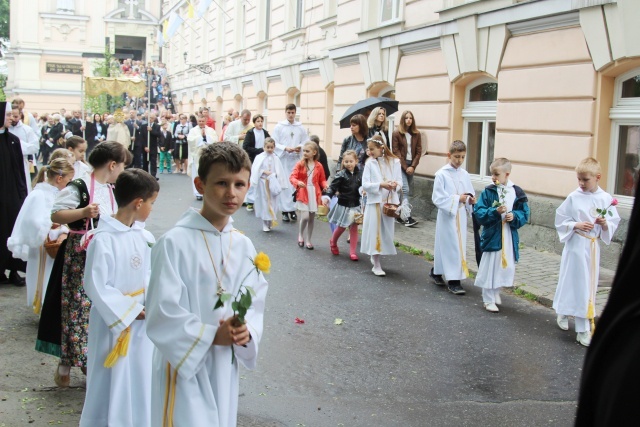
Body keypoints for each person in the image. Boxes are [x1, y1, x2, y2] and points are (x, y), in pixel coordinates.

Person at [146, 142, 268, 427]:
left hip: (224, 363)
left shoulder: (243, 245)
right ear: (200, 184)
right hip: (184, 363)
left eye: (240, 184)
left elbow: (256, 300)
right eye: (222, 183)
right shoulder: (173, 243)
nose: (231, 193)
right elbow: (161, 313)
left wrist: (245, 331)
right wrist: (212, 335)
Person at [36, 142, 132, 387]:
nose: (122, 170)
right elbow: (56, 215)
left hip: (104, 254)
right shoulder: (79, 186)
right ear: (112, 165)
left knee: (96, 308)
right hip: (80, 254)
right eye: (121, 165)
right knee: (77, 309)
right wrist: (83, 212)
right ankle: (71, 363)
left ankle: (85, 362)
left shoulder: (111, 189)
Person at [80, 169, 159, 427]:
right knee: (110, 377)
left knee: (139, 376)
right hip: (112, 323)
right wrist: (129, 310)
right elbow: (96, 285)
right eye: (151, 203)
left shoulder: (144, 237)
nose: (151, 209)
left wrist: (153, 300)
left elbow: (150, 274)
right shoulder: (102, 240)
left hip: (141, 322)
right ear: (139, 202)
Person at [553, 157, 620, 347]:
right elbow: (560, 219)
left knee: (586, 286)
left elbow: (613, 222)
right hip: (575, 246)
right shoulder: (574, 197)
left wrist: (605, 223)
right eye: (579, 179)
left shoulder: (605, 199)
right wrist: (576, 224)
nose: (581, 183)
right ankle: (571, 319)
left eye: (585, 180)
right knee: (572, 282)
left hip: (591, 248)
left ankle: (579, 323)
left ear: (597, 177)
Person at [8, 157, 74, 312]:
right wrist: (51, 226)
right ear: (59, 178)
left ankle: (49, 305)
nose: (69, 183)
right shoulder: (39, 194)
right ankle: (42, 304)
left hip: (54, 242)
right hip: (43, 246)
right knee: (42, 276)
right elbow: (32, 220)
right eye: (69, 180)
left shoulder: (55, 193)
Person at [473, 158, 530, 312]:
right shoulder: (489, 191)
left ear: (507, 174)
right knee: (491, 266)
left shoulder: (516, 192)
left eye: (496, 174)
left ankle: (495, 291)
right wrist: (494, 212)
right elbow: (479, 212)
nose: (493, 177)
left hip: (508, 236)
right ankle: (488, 298)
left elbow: (524, 212)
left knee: (502, 267)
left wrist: (514, 216)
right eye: (492, 174)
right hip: (493, 235)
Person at [430, 140, 476, 295]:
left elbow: (469, 192)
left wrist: (470, 200)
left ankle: (436, 272)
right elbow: (437, 198)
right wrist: (457, 199)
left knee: (456, 245)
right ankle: (454, 281)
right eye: (456, 156)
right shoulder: (441, 175)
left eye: (463, 157)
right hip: (447, 216)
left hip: (460, 215)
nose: (459, 160)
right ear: (449, 155)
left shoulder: (465, 174)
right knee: (451, 246)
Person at [360, 135, 402, 276]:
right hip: (375, 202)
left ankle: (376, 255)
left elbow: (400, 182)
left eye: (372, 149)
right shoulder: (370, 163)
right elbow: (365, 184)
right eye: (368, 149)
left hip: (389, 202)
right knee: (375, 231)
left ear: (381, 148)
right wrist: (381, 185)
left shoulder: (395, 162)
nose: (369, 152)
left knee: (385, 232)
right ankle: (376, 263)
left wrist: (395, 185)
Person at [0, 103, 29, 286]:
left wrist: (22, 193)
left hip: (12, 196)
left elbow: (19, 169)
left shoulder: (13, 140)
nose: (11, 118)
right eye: (8, 115)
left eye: (12, 115)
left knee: (13, 230)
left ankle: (14, 270)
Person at [323, 150, 362, 261]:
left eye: (351, 161)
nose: (349, 164)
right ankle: (333, 242)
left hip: (356, 205)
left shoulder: (360, 174)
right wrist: (327, 197)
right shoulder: (341, 174)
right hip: (344, 205)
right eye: (346, 161)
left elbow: (363, 187)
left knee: (354, 228)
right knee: (342, 227)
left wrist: (364, 191)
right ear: (343, 162)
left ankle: (353, 252)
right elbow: (332, 187)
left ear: (356, 161)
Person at [273, 104, 309, 222]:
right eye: (289, 112)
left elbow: (305, 141)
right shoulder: (279, 127)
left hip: (295, 160)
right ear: (285, 112)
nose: (291, 115)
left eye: (293, 112)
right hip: (284, 159)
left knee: (294, 185)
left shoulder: (300, 127)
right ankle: (284, 211)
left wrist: (300, 147)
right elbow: (274, 142)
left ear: (295, 113)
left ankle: (293, 210)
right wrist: (284, 148)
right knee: (285, 185)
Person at [290, 141, 328, 249]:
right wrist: (297, 182)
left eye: (307, 151)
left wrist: (325, 185)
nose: (305, 153)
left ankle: (308, 240)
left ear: (314, 152)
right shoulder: (300, 164)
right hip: (303, 192)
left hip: (314, 193)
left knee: (311, 218)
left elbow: (322, 180)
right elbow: (292, 177)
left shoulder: (319, 166)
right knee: (305, 217)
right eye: (304, 151)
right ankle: (301, 235)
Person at [391, 110, 422, 227]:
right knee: (405, 189)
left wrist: (413, 166)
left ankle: (397, 214)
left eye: (410, 118)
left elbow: (419, 152)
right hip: (400, 164)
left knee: (403, 191)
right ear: (403, 120)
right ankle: (407, 217)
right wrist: (405, 167)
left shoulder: (416, 134)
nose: (409, 120)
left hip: (411, 164)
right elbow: (396, 152)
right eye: (406, 118)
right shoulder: (396, 133)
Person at [250, 138, 287, 232]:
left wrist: (276, 177)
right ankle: (265, 222)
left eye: (272, 147)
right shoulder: (259, 157)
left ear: (274, 147)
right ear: (264, 147)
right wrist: (263, 171)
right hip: (263, 183)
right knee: (264, 202)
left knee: (273, 202)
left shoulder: (276, 158)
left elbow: (279, 171)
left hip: (272, 183)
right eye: (268, 147)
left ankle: (270, 220)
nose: (270, 149)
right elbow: (255, 169)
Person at [243, 114, 271, 211]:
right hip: (253, 159)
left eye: (261, 121)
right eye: (258, 121)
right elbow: (246, 147)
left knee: (263, 180)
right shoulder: (250, 133)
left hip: (264, 159)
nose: (260, 123)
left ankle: (262, 201)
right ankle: (250, 201)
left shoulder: (265, 133)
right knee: (253, 179)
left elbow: (270, 144)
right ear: (254, 123)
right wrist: (259, 150)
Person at [9, 106, 39, 194]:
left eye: (15, 116)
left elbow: (35, 147)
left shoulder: (27, 130)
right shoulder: (5, 129)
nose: (13, 119)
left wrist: (18, 145)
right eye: (11, 116)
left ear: (20, 115)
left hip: (21, 162)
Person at [187, 115, 218, 200]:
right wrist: (200, 137)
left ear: (205, 121)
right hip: (197, 156)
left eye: (202, 121)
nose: (201, 123)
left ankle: (207, 191)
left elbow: (215, 140)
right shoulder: (193, 131)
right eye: (199, 121)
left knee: (207, 174)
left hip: (208, 155)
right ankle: (198, 193)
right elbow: (190, 141)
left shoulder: (211, 131)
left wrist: (206, 137)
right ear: (197, 121)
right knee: (197, 174)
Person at [143, 112, 162, 179]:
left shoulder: (157, 126)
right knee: (145, 162)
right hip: (145, 147)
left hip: (153, 147)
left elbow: (158, 135)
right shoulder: (144, 126)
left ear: (154, 119)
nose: (150, 119)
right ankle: (145, 176)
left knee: (153, 162)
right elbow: (142, 137)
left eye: (151, 118)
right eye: (149, 118)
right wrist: (145, 146)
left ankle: (153, 175)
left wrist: (151, 130)